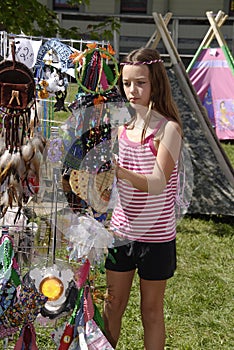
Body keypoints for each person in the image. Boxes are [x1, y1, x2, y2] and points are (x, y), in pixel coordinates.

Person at [103, 47, 183, 350]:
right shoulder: (122, 128)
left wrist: (119, 172)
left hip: (156, 237)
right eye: (126, 83)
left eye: (140, 83)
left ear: (156, 84)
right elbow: (113, 185)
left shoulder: (169, 129)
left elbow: (158, 183)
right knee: (113, 305)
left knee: (150, 311)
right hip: (121, 233)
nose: (132, 90)